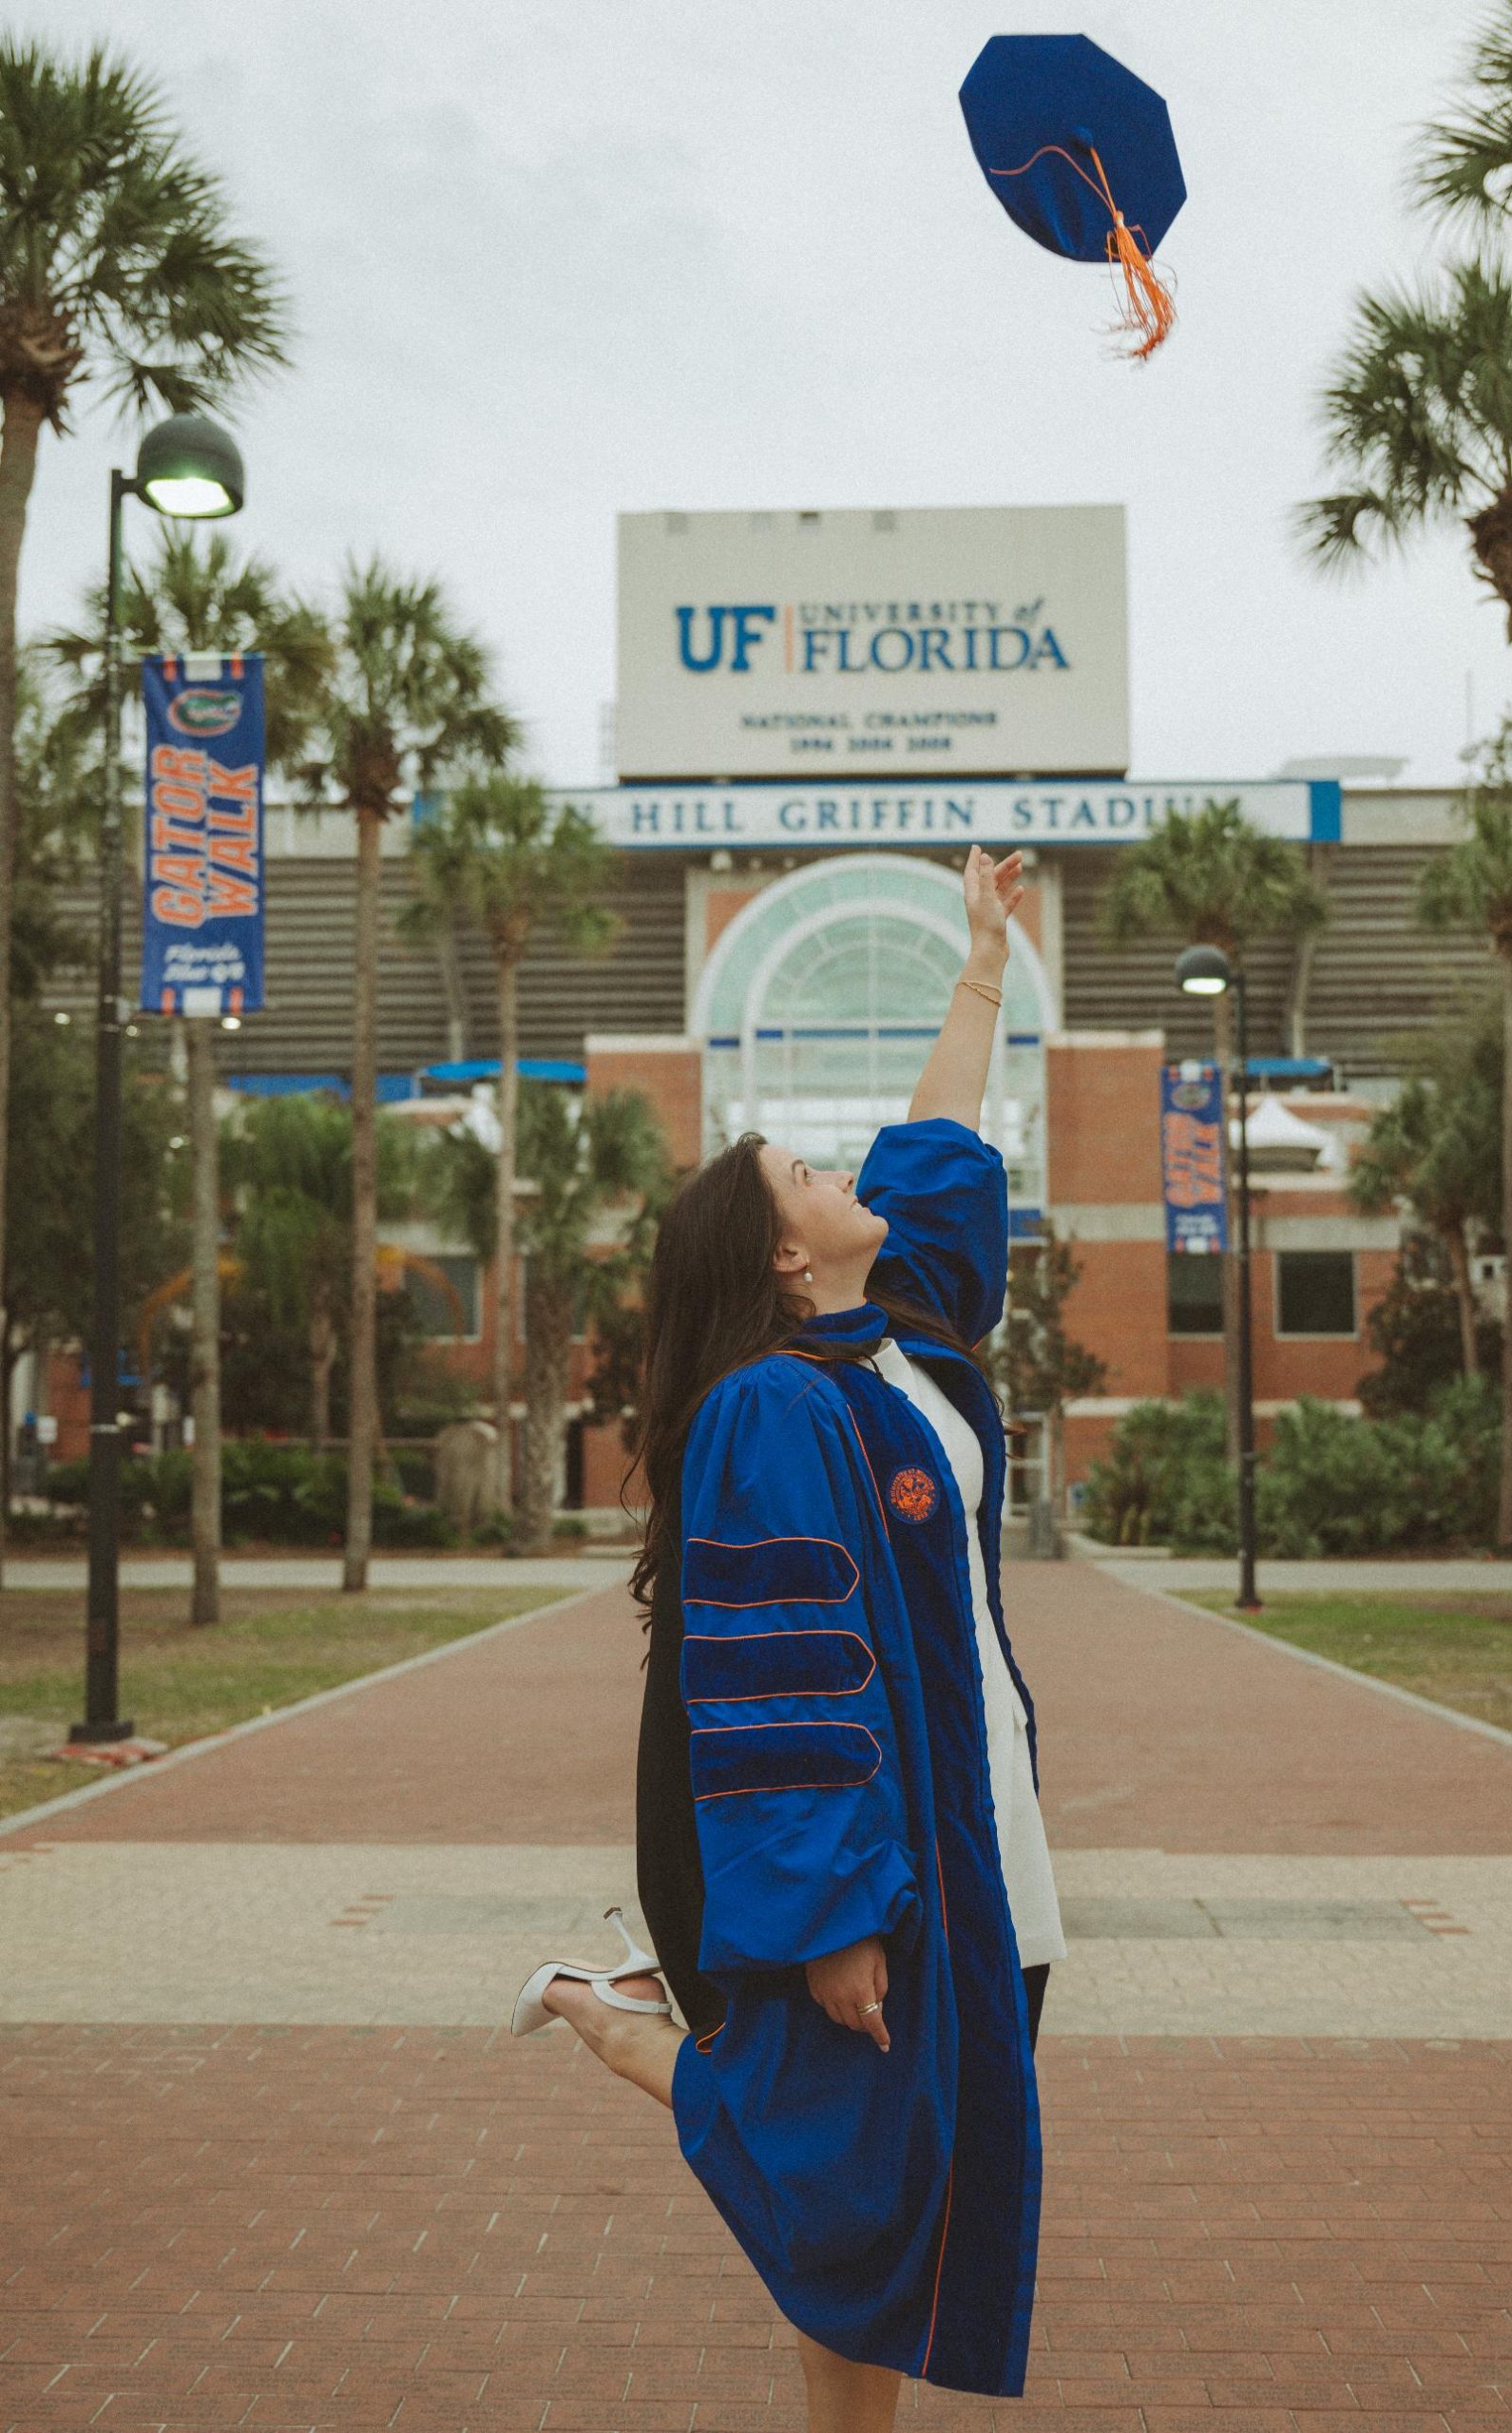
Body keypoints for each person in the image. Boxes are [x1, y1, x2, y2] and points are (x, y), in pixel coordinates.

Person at [512, 845, 1065, 2427]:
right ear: (778, 1253)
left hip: (989, 1843)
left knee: (902, 2189)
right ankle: (619, 2029)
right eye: (812, 1177)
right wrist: (829, 1914)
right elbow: (778, 1677)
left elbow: (941, 1148)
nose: (847, 1176)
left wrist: (978, 958)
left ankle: (627, 2018)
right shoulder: (770, 1410)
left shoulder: (902, 1354)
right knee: (854, 2197)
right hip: (874, 1866)